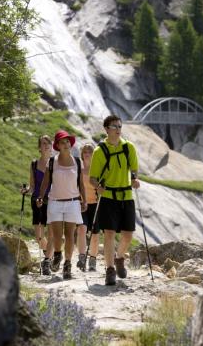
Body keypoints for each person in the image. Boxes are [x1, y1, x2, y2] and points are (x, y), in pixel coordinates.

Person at [89, 115, 140, 285]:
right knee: (109, 234)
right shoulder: (99, 151)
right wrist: (98, 187)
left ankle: (119, 259)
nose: (118, 129)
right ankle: (109, 270)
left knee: (128, 235)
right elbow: (93, 178)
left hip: (126, 196)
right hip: (108, 196)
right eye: (114, 126)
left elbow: (134, 170)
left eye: (119, 125)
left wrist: (134, 179)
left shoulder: (129, 147)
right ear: (106, 129)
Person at [37, 130, 87, 279]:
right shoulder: (52, 162)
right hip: (55, 203)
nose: (66, 144)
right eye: (62, 142)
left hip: (72, 202)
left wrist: (84, 199)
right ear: (57, 145)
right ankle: (57, 254)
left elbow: (81, 184)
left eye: (67, 142)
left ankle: (67, 265)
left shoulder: (77, 161)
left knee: (70, 235)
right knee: (57, 236)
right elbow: (46, 181)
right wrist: (40, 196)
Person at [21, 135, 53, 275]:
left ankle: (48, 260)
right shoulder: (34, 164)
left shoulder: (55, 163)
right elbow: (33, 185)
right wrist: (27, 190)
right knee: (39, 237)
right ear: (39, 147)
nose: (46, 145)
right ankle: (49, 255)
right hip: (36, 201)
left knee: (51, 234)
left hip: (52, 201)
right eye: (43, 143)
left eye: (48, 143)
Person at [77, 143, 100, 271]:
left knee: (95, 235)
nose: (87, 154)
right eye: (85, 152)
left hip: (96, 205)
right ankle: (81, 257)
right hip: (82, 204)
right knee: (81, 228)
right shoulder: (79, 170)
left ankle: (93, 259)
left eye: (90, 152)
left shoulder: (98, 171)